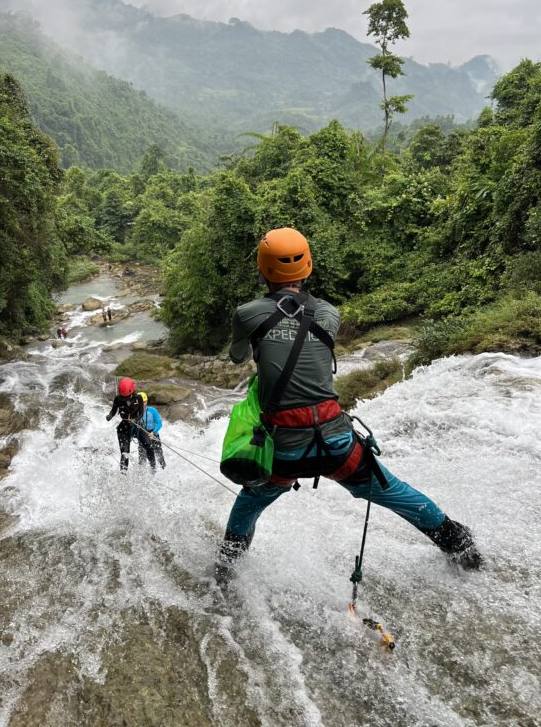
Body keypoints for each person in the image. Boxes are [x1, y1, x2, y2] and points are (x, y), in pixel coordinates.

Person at [216, 228, 483, 585]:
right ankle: (460, 546)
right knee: (393, 490)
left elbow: (237, 358)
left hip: (283, 451)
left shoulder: (247, 314)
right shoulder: (329, 313)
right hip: (336, 443)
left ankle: (225, 570)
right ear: (307, 268)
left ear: (262, 271)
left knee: (249, 502)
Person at [105, 377, 157, 472]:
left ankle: (153, 469)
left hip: (137, 424)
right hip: (124, 426)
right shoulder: (118, 399)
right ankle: (123, 476)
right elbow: (113, 411)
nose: (124, 399)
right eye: (123, 397)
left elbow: (141, 413)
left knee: (149, 446)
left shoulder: (138, 398)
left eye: (127, 397)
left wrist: (135, 420)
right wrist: (110, 416)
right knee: (125, 453)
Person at [138, 392, 166, 471]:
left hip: (153, 434)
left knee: (159, 455)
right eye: (141, 402)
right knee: (142, 457)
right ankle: (141, 475)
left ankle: (163, 469)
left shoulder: (152, 410)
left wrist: (154, 432)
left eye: (145, 402)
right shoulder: (135, 412)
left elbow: (159, 423)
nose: (143, 404)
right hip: (142, 435)